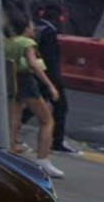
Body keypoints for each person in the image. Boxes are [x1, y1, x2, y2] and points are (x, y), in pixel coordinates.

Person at [4, 15, 61, 177]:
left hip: (11, 80)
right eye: (31, 26)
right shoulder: (27, 43)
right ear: (25, 28)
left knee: (14, 122)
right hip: (26, 81)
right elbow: (33, 64)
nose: (33, 29)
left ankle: (8, 156)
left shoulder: (6, 42)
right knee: (47, 120)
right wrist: (50, 86)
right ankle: (43, 159)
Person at [33, 4, 70, 152]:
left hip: (36, 72)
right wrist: (55, 81)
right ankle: (57, 142)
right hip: (48, 75)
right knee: (60, 108)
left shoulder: (36, 27)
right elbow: (51, 59)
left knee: (33, 104)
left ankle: (12, 130)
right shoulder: (50, 32)